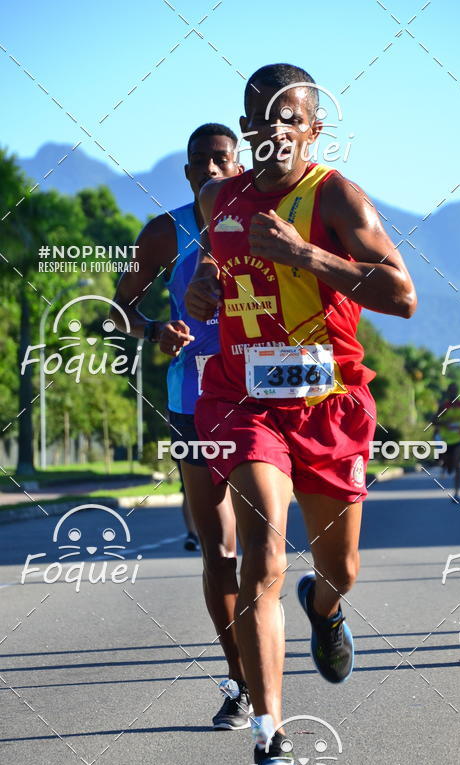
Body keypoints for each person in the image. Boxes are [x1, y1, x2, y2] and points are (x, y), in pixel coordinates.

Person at [185, 63, 417, 765]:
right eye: (264, 118)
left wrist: (306, 255)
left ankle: (325, 606)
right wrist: (202, 291)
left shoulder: (337, 196)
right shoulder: (215, 200)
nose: (276, 130)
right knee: (262, 552)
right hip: (245, 400)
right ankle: (270, 736)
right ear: (248, 126)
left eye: (293, 118)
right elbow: (213, 282)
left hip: (330, 403)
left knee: (339, 568)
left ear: (315, 129)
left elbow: (403, 296)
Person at [111, 123, 251, 729]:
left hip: (263, 401)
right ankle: (240, 681)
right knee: (220, 552)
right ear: (190, 173)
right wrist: (153, 330)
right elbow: (119, 312)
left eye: (224, 159)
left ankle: (321, 609)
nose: (215, 170)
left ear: (240, 162)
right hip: (194, 402)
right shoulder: (166, 232)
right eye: (203, 164)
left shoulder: (267, 220)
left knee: (266, 548)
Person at [434, 383, 460, 502]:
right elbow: (433, 420)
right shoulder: (443, 406)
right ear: (448, 392)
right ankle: (447, 466)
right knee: (449, 465)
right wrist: (444, 424)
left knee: (457, 464)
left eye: (455, 390)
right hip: (446, 441)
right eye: (451, 390)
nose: (453, 393)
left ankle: (456, 493)